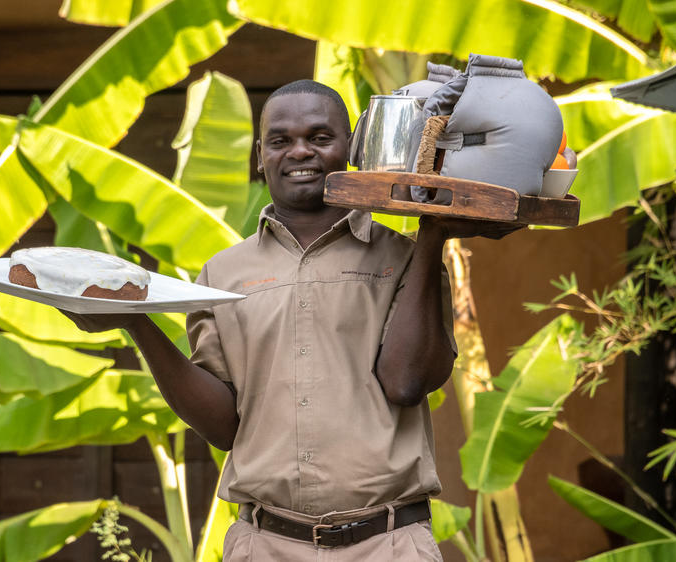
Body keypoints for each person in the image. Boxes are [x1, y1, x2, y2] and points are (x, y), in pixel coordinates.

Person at [64, 79, 518, 561]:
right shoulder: (223, 274)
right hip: (265, 545)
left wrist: (432, 235)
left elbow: (406, 383)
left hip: (389, 544)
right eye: (281, 141)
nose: (300, 152)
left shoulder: (405, 258)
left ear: (351, 146)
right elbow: (223, 427)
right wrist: (137, 323)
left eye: (320, 138)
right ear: (261, 155)